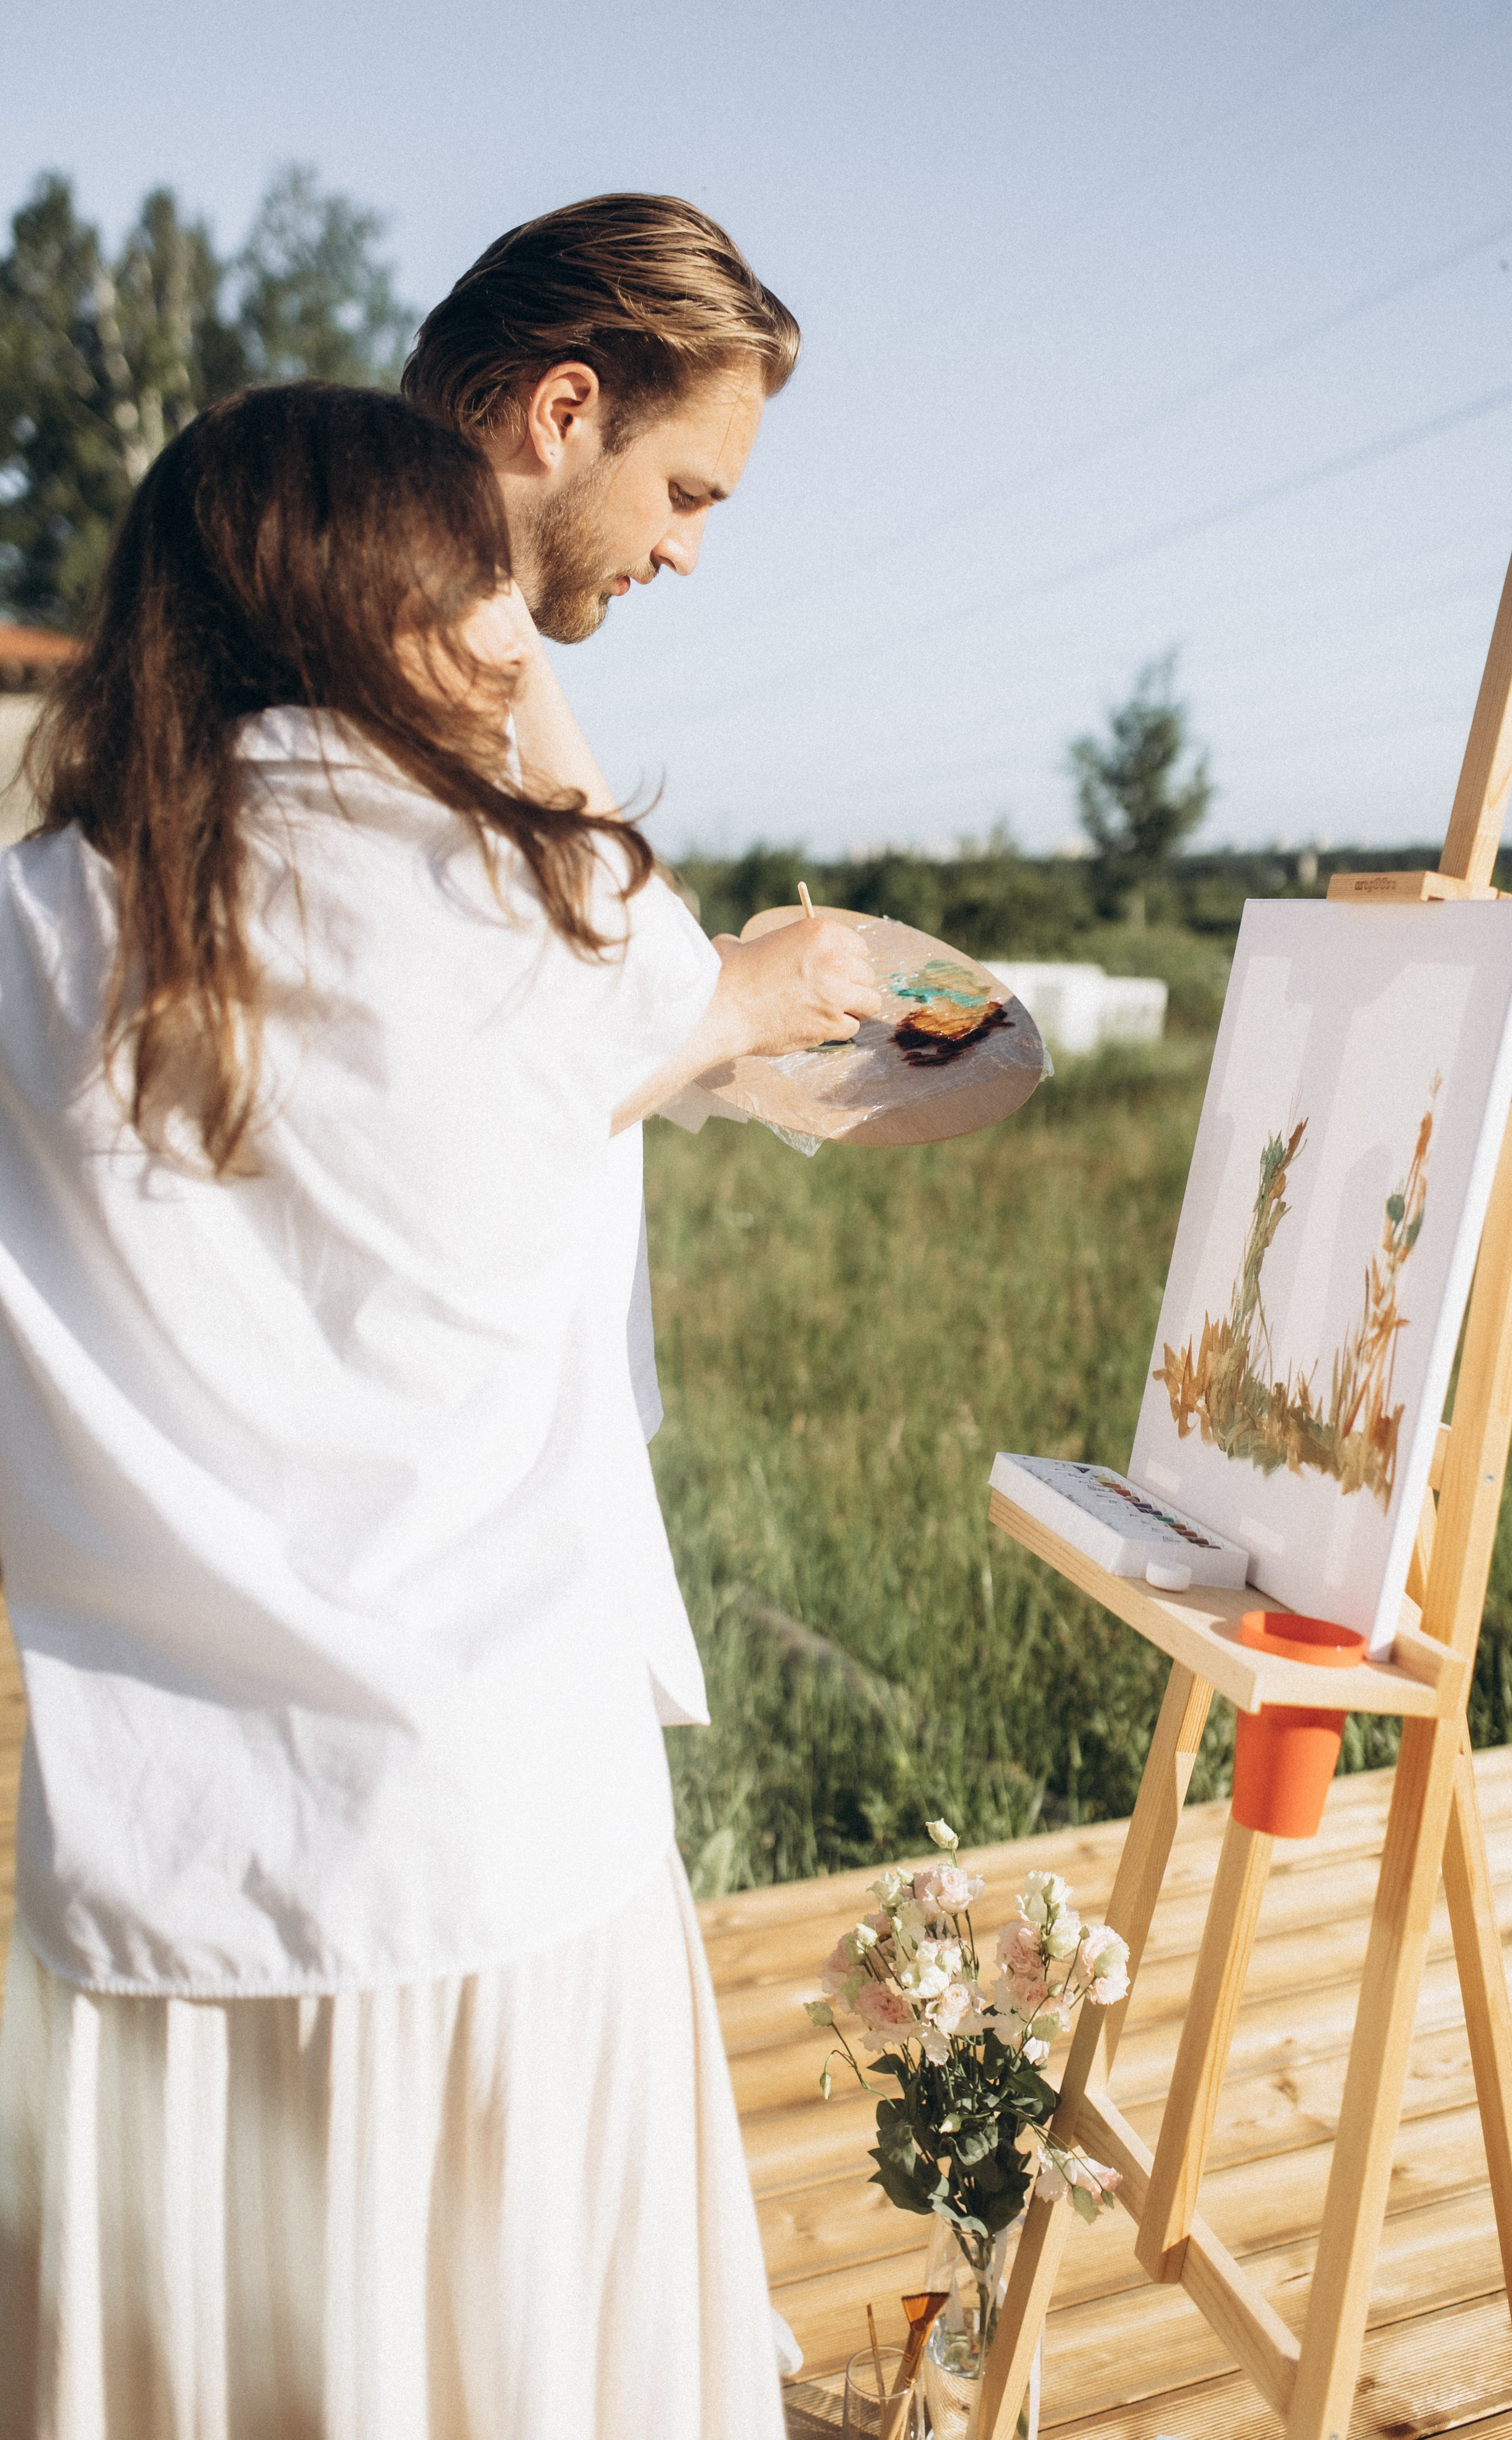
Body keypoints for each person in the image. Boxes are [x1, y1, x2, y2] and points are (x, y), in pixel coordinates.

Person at [0, 381, 881, 2439]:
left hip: (173, 1872)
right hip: (511, 1838)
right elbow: (687, 958)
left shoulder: (35, 938)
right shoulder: (557, 919)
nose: (515, 632)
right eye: (484, 586)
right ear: (412, 610)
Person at [402, 192, 798, 1443]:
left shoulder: (491, 642)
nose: (685, 551)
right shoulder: (380, 684)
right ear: (562, 413)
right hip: (437, 1509)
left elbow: (619, 950)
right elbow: (441, 1103)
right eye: (684, 491)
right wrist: (739, 1006)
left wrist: (712, 991)